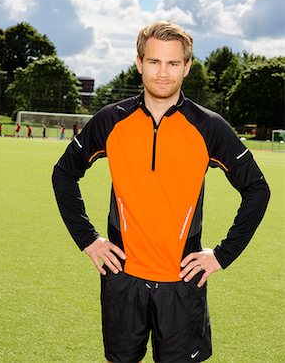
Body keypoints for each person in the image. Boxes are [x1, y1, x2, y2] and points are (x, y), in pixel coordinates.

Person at [52, 21, 270, 363]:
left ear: (186, 67)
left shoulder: (208, 126)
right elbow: (64, 173)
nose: (163, 72)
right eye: (154, 62)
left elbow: (257, 189)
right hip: (122, 277)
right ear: (139, 64)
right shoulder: (112, 120)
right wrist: (88, 239)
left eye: (172, 63)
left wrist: (222, 255)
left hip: (182, 281)